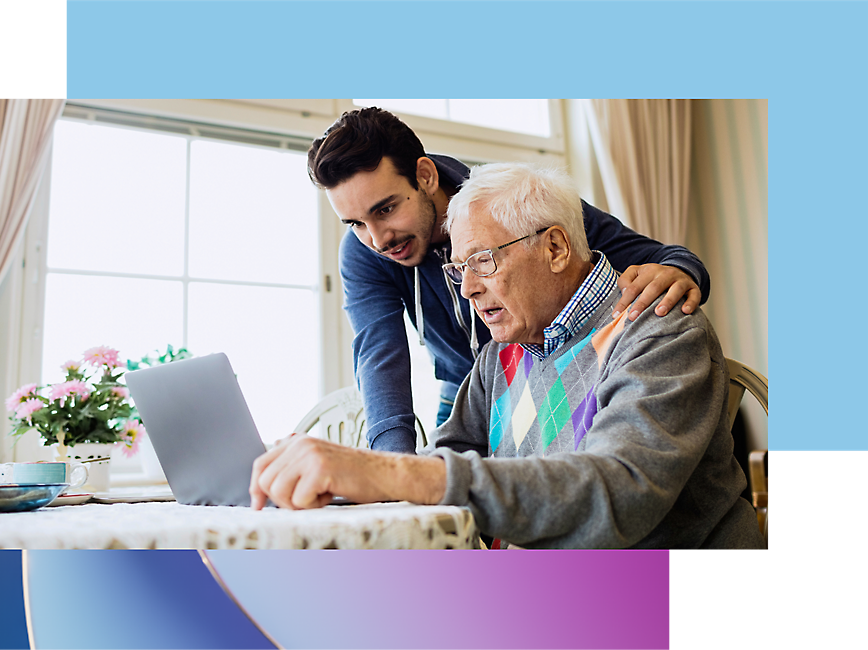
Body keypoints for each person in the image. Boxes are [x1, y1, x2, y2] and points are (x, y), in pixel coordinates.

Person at [250, 163, 764, 549]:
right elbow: (446, 457)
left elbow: (615, 493)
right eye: (458, 269)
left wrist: (391, 474)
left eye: (483, 262)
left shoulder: (659, 331)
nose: (468, 289)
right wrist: (352, 482)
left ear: (557, 249)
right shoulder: (502, 355)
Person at [307, 107, 711, 454]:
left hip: (547, 372)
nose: (377, 239)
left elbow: (656, 256)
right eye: (356, 223)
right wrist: (389, 468)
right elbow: (379, 354)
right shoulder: (364, 252)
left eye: (386, 209)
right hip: (467, 389)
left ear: (425, 176)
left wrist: (680, 271)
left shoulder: (508, 206)